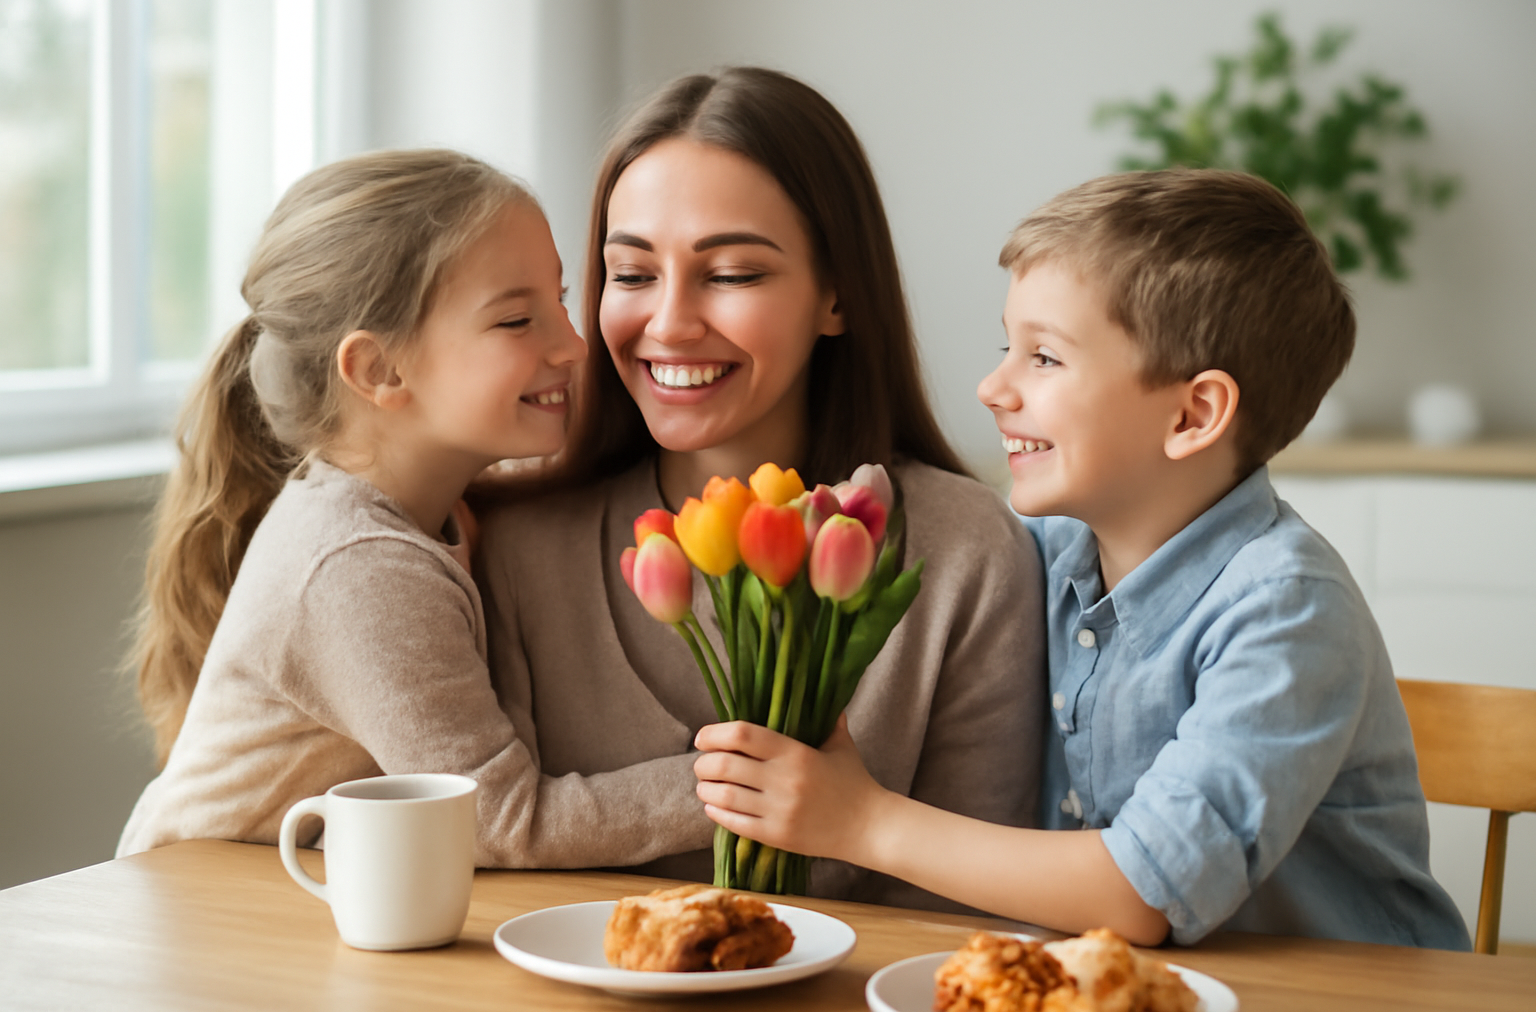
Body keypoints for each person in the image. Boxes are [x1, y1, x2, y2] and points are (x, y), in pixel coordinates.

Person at [693, 168, 1472, 949]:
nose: (993, 387)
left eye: (1045, 359)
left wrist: (862, 822)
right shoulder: (1045, 553)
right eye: (1009, 347)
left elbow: (1142, 893)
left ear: (1192, 414)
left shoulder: (1288, 608)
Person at [473, 67, 1044, 906]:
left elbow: (967, 926)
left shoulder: (967, 551)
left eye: (732, 274)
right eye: (632, 275)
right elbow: (496, 882)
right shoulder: (518, 542)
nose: (668, 323)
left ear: (837, 294)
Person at [117, 149, 593, 860]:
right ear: (378, 369)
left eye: (561, 300)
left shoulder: (433, 516)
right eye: (517, 321)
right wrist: (735, 792)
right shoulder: (359, 565)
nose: (574, 345)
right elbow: (498, 819)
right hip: (199, 923)